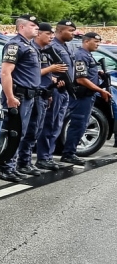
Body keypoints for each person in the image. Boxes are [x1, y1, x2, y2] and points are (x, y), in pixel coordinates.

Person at [17, 22, 67, 175]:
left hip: (43, 94)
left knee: (35, 131)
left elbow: (41, 74)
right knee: (25, 131)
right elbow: (31, 73)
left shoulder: (44, 51)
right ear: (39, 34)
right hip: (31, 94)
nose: (52, 36)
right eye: (48, 33)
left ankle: (26, 162)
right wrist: (51, 69)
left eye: (53, 34)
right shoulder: (28, 48)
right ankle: (19, 163)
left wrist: (51, 80)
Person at [0, 14, 42, 182]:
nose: (36, 28)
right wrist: (10, 97)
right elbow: (5, 72)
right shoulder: (15, 45)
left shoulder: (29, 45)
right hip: (18, 95)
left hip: (29, 96)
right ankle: (6, 168)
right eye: (32, 25)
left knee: (21, 133)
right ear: (22, 27)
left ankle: (13, 166)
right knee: (14, 132)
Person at [60, 32, 111, 165]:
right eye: (96, 42)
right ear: (87, 41)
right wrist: (100, 90)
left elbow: (87, 73)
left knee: (82, 125)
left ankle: (70, 152)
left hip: (88, 96)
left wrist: (98, 73)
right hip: (82, 96)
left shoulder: (87, 55)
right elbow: (81, 79)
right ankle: (68, 154)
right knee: (78, 125)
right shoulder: (81, 55)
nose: (98, 44)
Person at [36, 20, 77, 170]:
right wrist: (55, 82)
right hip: (54, 89)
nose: (73, 33)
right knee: (49, 124)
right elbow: (46, 68)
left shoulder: (67, 47)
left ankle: (49, 156)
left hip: (64, 90)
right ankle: (43, 157)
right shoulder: (51, 46)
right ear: (60, 31)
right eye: (70, 30)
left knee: (57, 125)